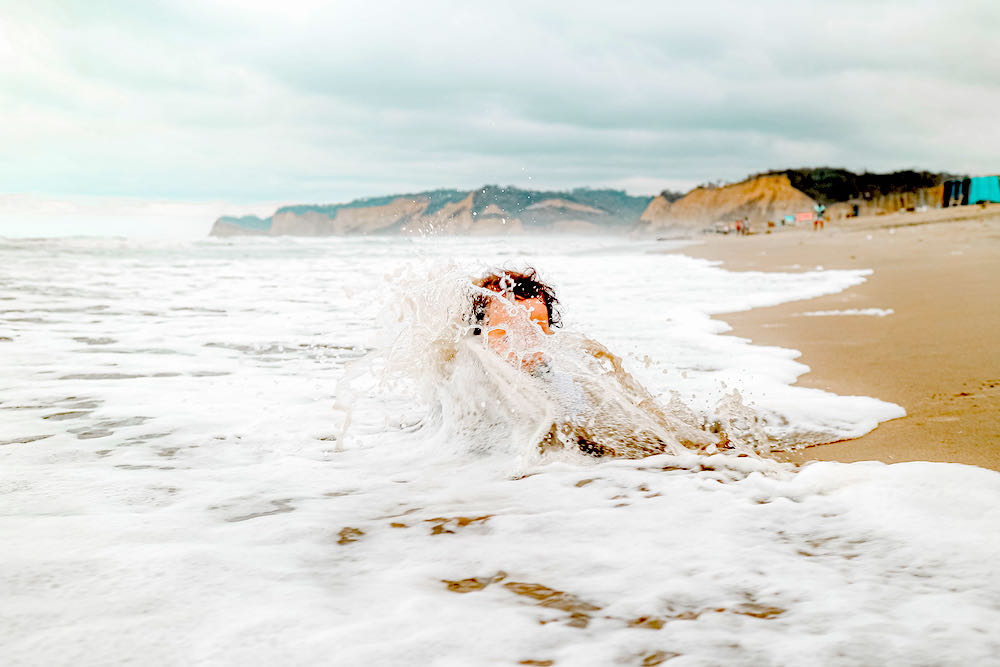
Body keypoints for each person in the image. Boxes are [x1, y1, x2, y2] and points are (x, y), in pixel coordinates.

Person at [467, 268, 721, 458]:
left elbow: (592, 435)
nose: (524, 347)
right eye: (506, 335)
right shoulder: (464, 386)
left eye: (535, 333)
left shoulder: (557, 385)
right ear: (478, 336)